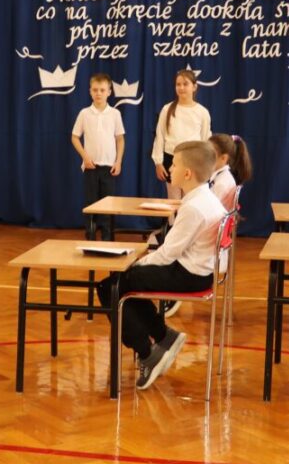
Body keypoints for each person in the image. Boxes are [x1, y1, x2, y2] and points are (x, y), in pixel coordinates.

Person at [97, 140, 226, 390]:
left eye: (174, 164)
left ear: (187, 173)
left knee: (110, 287)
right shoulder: (205, 198)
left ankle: (148, 354)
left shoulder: (194, 208)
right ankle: (163, 335)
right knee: (123, 283)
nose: (170, 168)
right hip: (200, 271)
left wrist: (135, 264)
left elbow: (167, 254)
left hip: (189, 275)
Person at [71, 73, 125, 241]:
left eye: (102, 90)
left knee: (108, 205)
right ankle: (91, 237)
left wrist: (118, 162)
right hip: (91, 167)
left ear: (109, 92)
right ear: (90, 91)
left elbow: (120, 139)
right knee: (90, 204)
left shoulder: (115, 114)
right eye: (95, 90)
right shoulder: (84, 113)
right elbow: (74, 137)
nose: (98, 93)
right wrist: (85, 157)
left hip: (109, 167)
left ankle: (108, 239)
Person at [151, 69, 211, 200]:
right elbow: (160, 136)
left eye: (185, 84)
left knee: (190, 199)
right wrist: (158, 162)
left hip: (193, 161)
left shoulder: (202, 112)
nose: (181, 87)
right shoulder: (167, 109)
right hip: (172, 160)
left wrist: (204, 165)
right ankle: (174, 216)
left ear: (194, 87)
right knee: (173, 200)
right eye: (178, 84)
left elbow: (205, 140)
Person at [207, 133, 252, 207]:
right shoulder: (221, 178)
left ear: (223, 158)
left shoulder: (221, 184)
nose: (205, 157)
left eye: (209, 153)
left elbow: (208, 209)